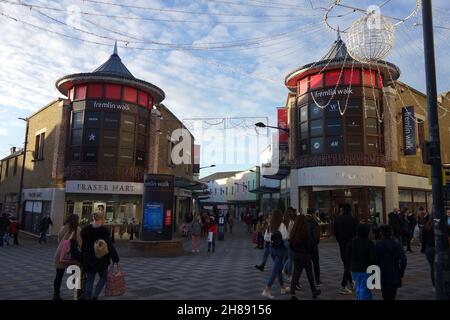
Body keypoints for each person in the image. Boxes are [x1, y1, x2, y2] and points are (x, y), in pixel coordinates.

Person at [81, 210, 119, 300]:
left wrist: (83, 258)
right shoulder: (104, 231)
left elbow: (83, 247)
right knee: (103, 277)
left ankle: (88, 297)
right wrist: (115, 258)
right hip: (102, 259)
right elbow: (109, 245)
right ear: (101, 218)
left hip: (89, 259)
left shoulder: (86, 230)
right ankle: (95, 295)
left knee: (90, 279)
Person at [289, 214, 321, 300]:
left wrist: (295, 250)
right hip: (305, 255)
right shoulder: (305, 232)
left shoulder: (293, 232)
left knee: (296, 274)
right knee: (309, 274)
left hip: (297, 255)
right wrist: (310, 251)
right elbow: (310, 244)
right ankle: (313, 290)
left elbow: (291, 244)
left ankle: (292, 293)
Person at [261, 210, 290, 299]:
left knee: (278, 268)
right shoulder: (282, 225)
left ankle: (282, 288)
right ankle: (267, 289)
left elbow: (265, 238)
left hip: (271, 248)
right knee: (275, 270)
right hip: (280, 250)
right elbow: (286, 237)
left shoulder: (270, 225)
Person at [53, 214, 82, 300]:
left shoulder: (63, 228)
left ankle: (56, 295)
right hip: (72, 255)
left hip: (60, 254)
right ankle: (77, 294)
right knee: (75, 274)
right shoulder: (77, 230)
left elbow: (59, 240)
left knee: (58, 276)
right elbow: (80, 244)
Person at [375, 225, 407, 300]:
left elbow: (374, 261)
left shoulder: (378, 245)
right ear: (391, 233)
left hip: (382, 274)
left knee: (385, 294)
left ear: (381, 233)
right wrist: (401, 272)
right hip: (394, 273)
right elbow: (403, 260)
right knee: (392, 295)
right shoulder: (396, 244)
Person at [346, 224, 376, 300]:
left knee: (358, 288)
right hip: (366, 269)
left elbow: (347, 254)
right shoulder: (369, 243)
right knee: (365, 289)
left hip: (354, 269)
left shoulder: (352, 241)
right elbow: (373, 258)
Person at [333, 203, 357, 294]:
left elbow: (335, 232)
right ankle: (343, 285)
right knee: (348, 265)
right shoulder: (353, 219)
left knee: (346, 264)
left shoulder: (338, 219)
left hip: (342, 244)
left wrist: (339, 240)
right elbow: (355, 233)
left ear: (343, 209)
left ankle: (351, 282)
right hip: (350, 244)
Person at [305, 208, 322, 287]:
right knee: (316, 264)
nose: (316, 215)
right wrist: (315, 243)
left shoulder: (303, 220)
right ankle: (318, 281)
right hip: (313, 247)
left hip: (305, 247)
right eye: (315, 213)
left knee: (306, 265)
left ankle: (310, 281)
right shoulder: (314, 222)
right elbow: (316, 237)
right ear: (313, 213)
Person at [421, 217, 435, 288]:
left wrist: (423, 249)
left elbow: (423, 240)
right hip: (438, 249)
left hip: (429, 249)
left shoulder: (426, 227)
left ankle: (434, 285)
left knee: (433, 267)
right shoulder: (441, 225)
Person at [282, 208, 296, 281]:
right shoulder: (291, 222)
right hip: (290, 241)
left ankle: (285, 270)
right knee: (291, 259)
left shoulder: (283, 223)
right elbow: (292, 233)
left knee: (288, 258)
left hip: (284, 241)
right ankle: (289, 274)